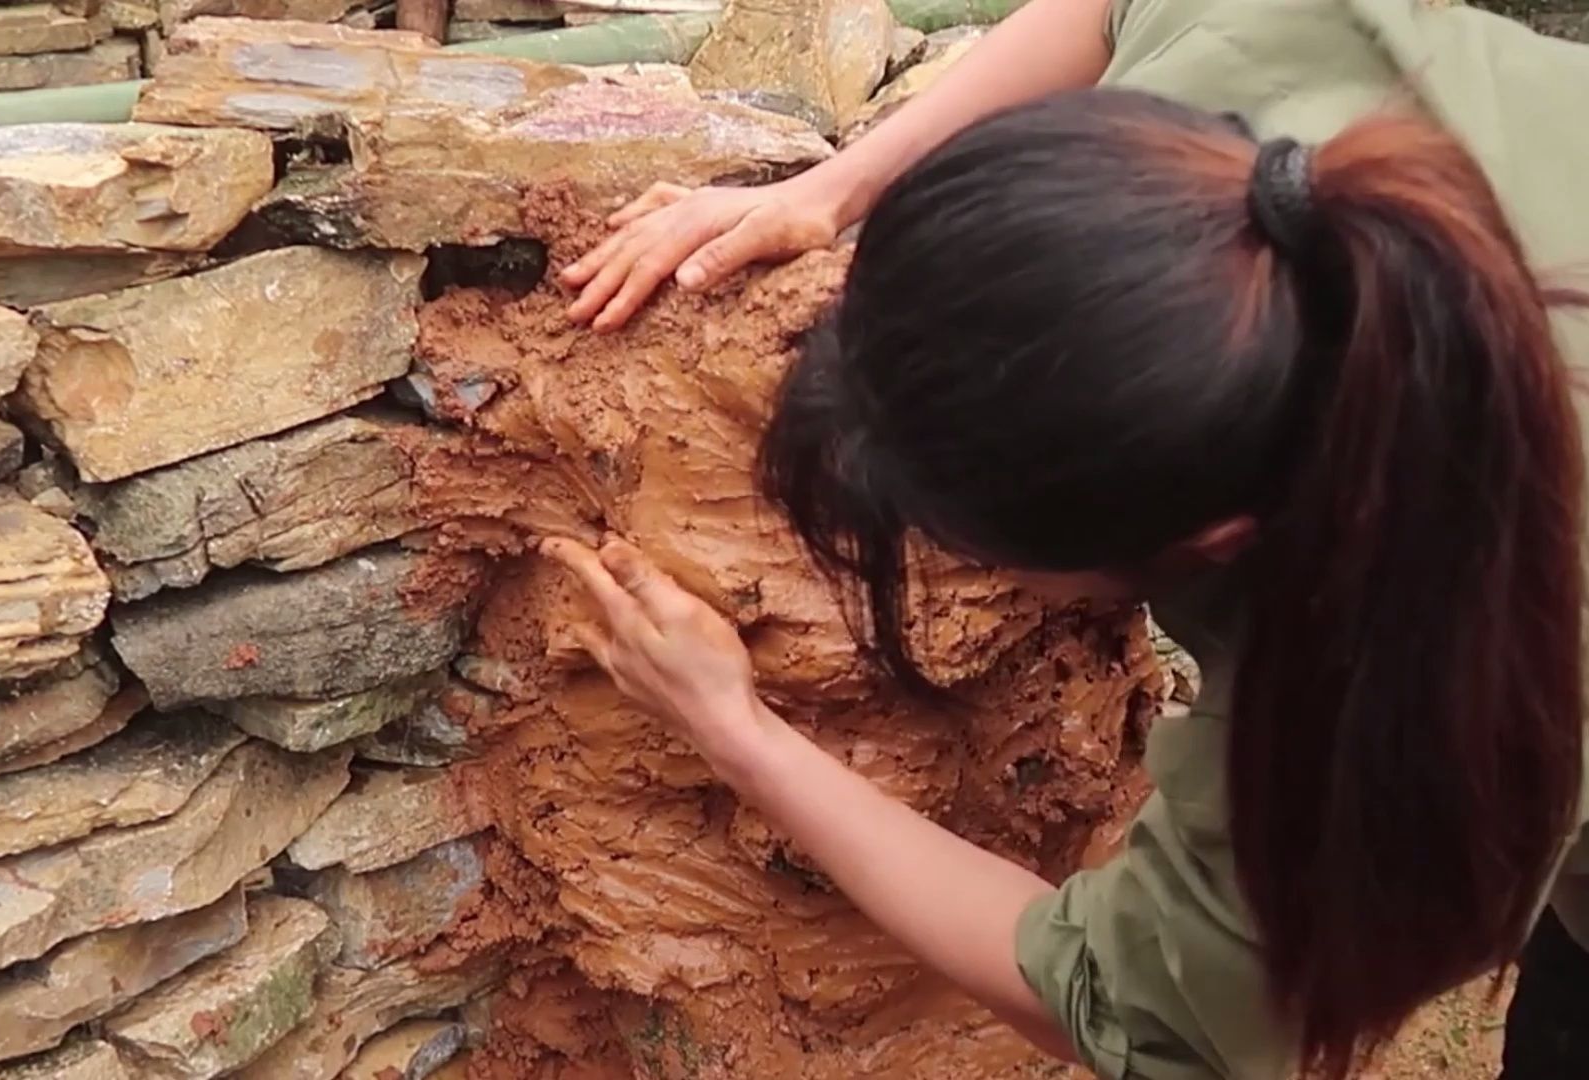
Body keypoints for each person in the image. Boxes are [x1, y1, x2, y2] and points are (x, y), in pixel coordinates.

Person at [545, 1, 1589, 1078]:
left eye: (977, 553)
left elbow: (1127, 1008)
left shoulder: (1417, 689)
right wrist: (834, 188)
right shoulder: (1223, 185)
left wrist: (736, 732)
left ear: (1213, 539)